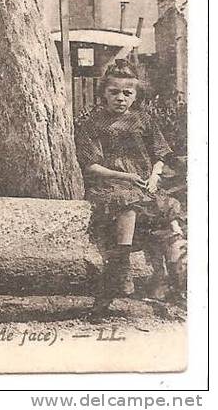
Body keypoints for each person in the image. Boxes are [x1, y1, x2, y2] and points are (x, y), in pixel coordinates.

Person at [75, 59, 186, 313]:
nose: (120, 98)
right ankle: (122, 268)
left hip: (144, 184)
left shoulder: (143, 120)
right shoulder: (92, 124)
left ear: (136, 95)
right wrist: (125, 177)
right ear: (103, 92)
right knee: (127, 202)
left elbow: (160, 154)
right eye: (114, 92)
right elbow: (90, 166)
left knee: (169, 214)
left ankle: (180, 278)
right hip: (110, 184)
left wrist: (155, 175)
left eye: (128, 93)